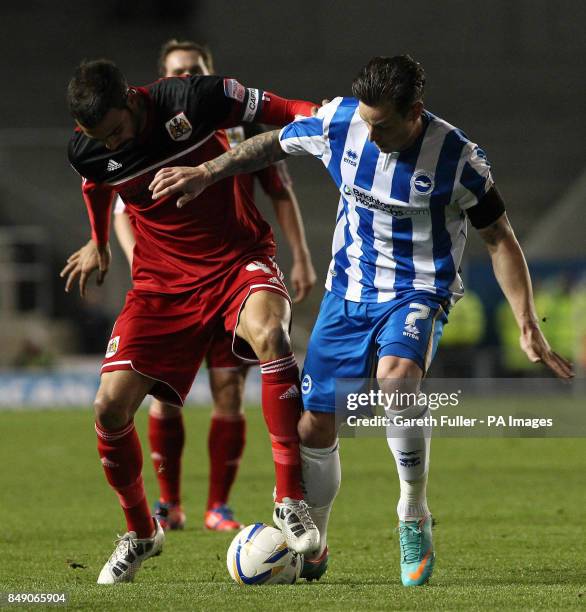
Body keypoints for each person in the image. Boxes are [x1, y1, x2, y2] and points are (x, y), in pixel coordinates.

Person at [149, 55, 575, 586]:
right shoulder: (341, 122)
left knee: (397, 381)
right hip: (348, 291)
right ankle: (317, 541)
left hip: (420, 288)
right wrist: (207, 170)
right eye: (367, 122)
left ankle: (412, 513)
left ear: (415, 111)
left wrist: (527, 322)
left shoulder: (459, 159)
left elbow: (499, 240)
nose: (371, 136)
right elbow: (272, 143)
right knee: (313, 424)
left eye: (384, 125)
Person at [61, 58, 320, 584]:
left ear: (131, 101)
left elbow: (279, 108)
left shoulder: (190, 100)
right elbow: (96, 183)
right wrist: (98, 240)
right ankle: (141, 532)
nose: (112, 146)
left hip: (235, 261)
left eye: (116, 132)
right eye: (99, 137)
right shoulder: (89, 148)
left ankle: (290, 498)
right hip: (161, 286)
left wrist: (329, 119)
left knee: (272, 334)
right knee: (109, 408)